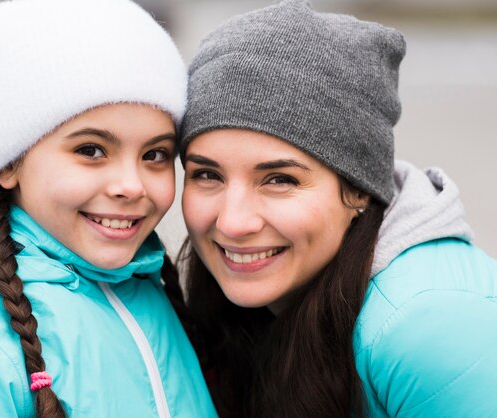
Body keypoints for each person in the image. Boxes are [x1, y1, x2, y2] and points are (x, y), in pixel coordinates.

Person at [0, 0, 217, 417]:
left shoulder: (144, 292)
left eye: (156, 154)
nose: (132, 185)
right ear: (8, 162)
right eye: (91, 150)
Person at [177, 0, 497, 417]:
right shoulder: (255, 305)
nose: (233, 222)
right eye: (207, 175)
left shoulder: (426, 326)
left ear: (360, 190)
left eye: (280, 180)